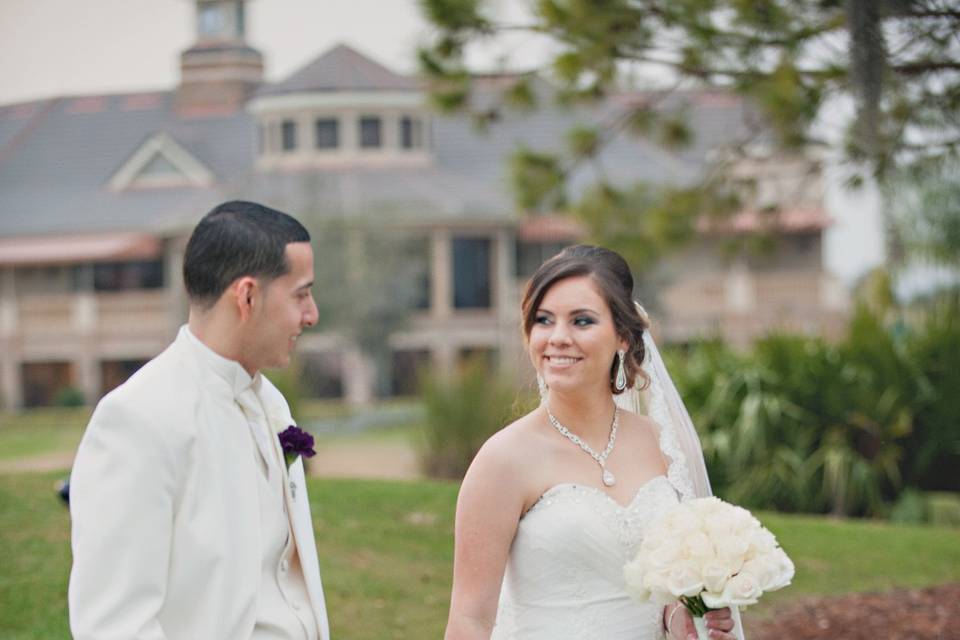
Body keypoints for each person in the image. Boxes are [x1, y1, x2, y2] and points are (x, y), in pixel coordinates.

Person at [444, 245, 744, 640]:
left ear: (622, 334)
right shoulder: (504, 460)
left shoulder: (663, 443)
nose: (558, 338)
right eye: (543, 320)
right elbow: (470, 620)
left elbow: (663, 593)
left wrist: (681, 617)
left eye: (581, 321)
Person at [68, 201, 330, 639]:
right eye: (300, 294)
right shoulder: (137, 419)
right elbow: (113, 625)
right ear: (246, 296)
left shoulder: (272, 404)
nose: (312, 315)